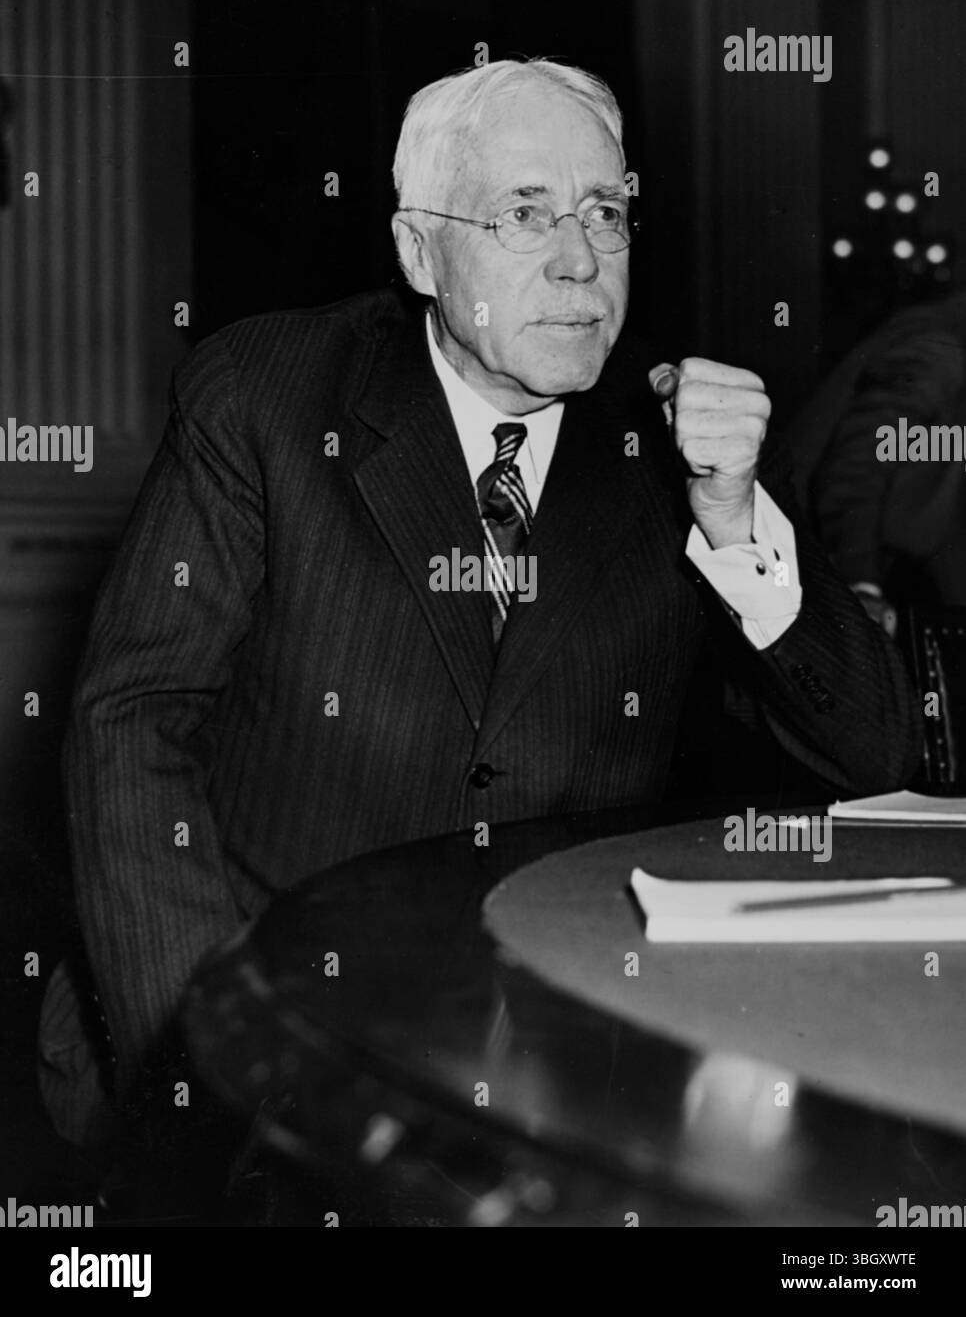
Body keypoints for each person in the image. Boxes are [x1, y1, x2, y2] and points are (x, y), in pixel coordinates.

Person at [52, 58, 920, 1136]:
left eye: (606, 212)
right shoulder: (267, 397)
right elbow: (130, 728)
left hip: (551, 1067)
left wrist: (737, 522)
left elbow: (874, 753)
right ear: (421, 250)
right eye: (525, 213)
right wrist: (217, 1052)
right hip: (251, 1003)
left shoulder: (676, 440)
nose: (579, 261)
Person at [793, 289, 966, 631]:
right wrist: (861, 585)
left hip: (891, 556)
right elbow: (854, 468)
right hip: (830, 560)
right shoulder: (937, 351)